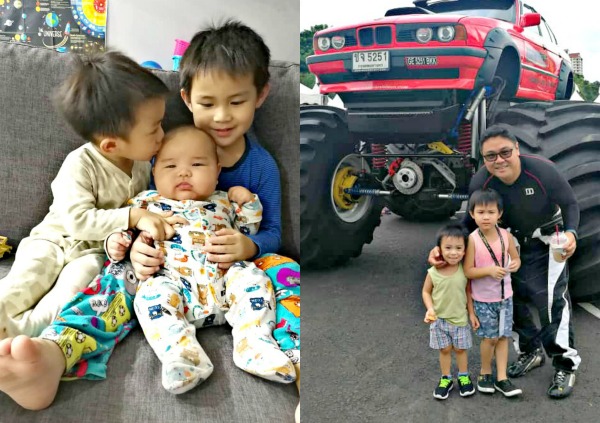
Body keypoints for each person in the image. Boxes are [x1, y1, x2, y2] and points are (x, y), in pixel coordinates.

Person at [0, 126, 295, 410]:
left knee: (254, 279)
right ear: (153, 172)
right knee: (134, 288)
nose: (183, 172)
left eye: (197, 164)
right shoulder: (146, 201)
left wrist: (248, 204)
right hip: (166, 281)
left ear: (218, 171)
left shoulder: (224, 200)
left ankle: (254, 343)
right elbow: (121, 232)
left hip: (227, 278)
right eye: (170, 166)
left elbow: (252, 228)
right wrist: (120, 245)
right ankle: (181, 355)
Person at [0, 50, 178, 340]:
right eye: (154, 128)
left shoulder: (146, 163)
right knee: (24, 281)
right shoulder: (80, 164)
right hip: (53, 241)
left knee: (70, 294)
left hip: (93, 253)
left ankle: (24, 335)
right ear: (111, 146)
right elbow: (77, 221)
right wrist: (133, 216)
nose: (162, 135)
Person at [429, 126, 580, 399]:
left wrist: (571, 233)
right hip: (509, 244)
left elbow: (570, 204)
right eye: (490, 156)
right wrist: (441, 249)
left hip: (548, 241)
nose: (499, 160)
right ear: (483, 159)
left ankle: (565, 364)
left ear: (517, 150)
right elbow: (466, 223)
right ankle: (530, 351)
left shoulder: (544, 171)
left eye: (505, 152)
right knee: (512, 300)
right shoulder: (481, 182)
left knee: (550, 302)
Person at [463, 188, 522, 397]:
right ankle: (485, 372)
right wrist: (488, 270)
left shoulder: (506, 236)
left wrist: (515, 264)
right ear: (472, 214)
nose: (485, 217)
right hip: (484, 300)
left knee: (504, 337)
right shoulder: (472, 240)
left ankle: (502, 377)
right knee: (490, 338)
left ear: (500, 213)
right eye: (480, 212)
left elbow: (516, 258)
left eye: (490, 212)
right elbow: (468, 271)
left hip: (506, 298)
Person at [422, 223, 477, 400]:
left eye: (458, 248)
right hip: (439, 320)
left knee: (460, 350)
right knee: (445, 350)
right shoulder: (433, 272)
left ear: (464, 251)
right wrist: (430, 308)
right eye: (448, 248)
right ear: (439, 249)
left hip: (460, 319)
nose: (453, 252)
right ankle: (446, 378)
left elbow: (468, 292)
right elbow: (425, 291)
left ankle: (463, 376)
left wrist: (471, 314)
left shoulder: (464, 270)